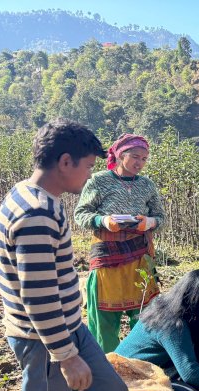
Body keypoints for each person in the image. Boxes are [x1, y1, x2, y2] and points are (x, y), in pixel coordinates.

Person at [0, 119, 170, 391]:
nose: (91, 174)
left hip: (65, 326)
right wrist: (67, 355)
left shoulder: (32, 196)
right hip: (43, 336)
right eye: (87, 166)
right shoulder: (37, 213)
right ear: (64, 161)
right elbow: (38, 297)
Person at [74, 133, 165, 353]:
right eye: (135, 156)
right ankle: (107, 366)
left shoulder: (147, 185)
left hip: (140, 256)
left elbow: (161, 218)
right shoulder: (99, 181)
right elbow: (80, 214)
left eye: (144, 159)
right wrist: (103, 220)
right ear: (120, 155)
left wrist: (149, 223)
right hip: (107, 256)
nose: (139, 163)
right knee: (105, 317)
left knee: (144, 314)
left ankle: (143, 360)